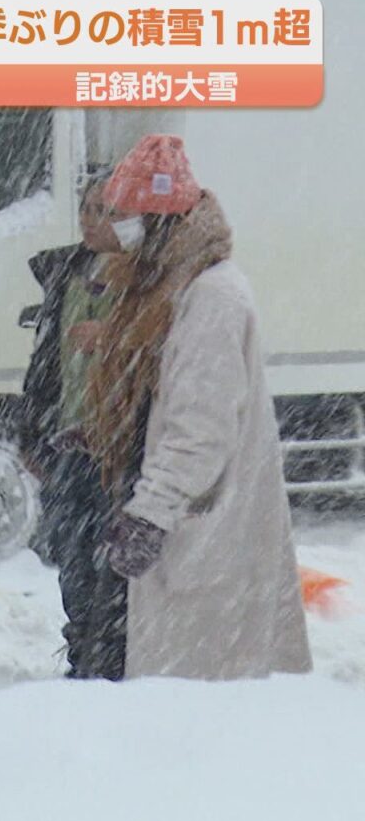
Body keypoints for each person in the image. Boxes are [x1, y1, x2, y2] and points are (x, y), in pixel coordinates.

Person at [84, 134, 312, 680]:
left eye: (127, 214)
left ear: (161, 221)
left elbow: (200, 430)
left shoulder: (210, 297)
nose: (117, 227)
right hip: (188, 521)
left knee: (202, 697)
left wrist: (150, 513)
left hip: (205, 529)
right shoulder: (167, 287)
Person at [20, 168, 130, 680]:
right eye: (87, 208)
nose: (91, 220)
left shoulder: (143, 282)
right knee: (71, 553)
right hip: (69, 445)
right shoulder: (65, 272)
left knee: (113, 560)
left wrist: (112, 335)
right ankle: (82, 651)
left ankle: (109, 657)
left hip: (117, 449)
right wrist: (31, 433)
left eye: (106, 211)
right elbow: (43, 366)